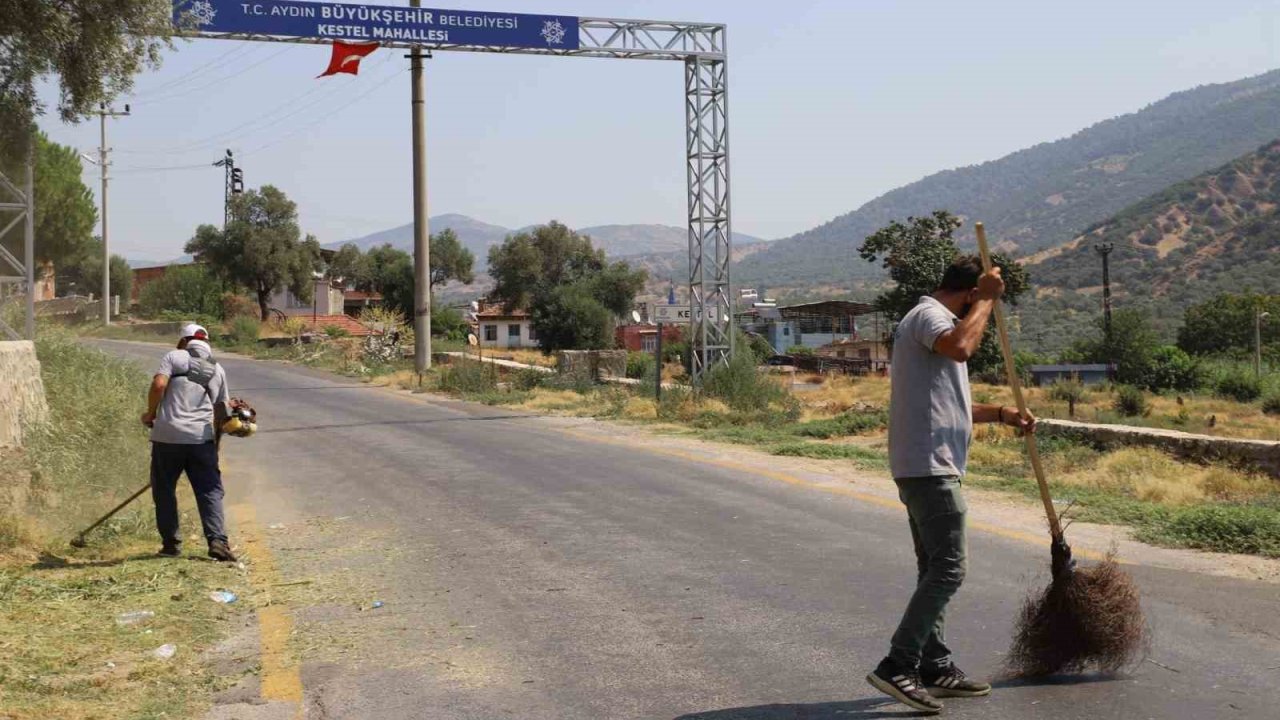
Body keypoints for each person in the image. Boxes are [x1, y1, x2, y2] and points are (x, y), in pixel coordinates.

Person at [866, 256, 1035, 713]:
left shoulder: (936, 325)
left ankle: (933, 666)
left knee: (933, 568)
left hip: (930, 465)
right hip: (929, 467)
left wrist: (1001, 413)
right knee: (950, 569)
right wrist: (986, 301)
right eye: (975, 300)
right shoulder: (930, 317)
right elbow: (962, 348)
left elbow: (949, 401)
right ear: (966, 293)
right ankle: (897, 664)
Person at [140, 323, 237, 562]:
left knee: (164, 491)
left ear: (184, 341)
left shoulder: (174, 356)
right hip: (200, 440)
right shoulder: (218, 369)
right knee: (209, 490)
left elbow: (159, 384)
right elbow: (222, 412)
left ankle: (170, 545)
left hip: (167, 437)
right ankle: (218, 542)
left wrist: (150, 414)